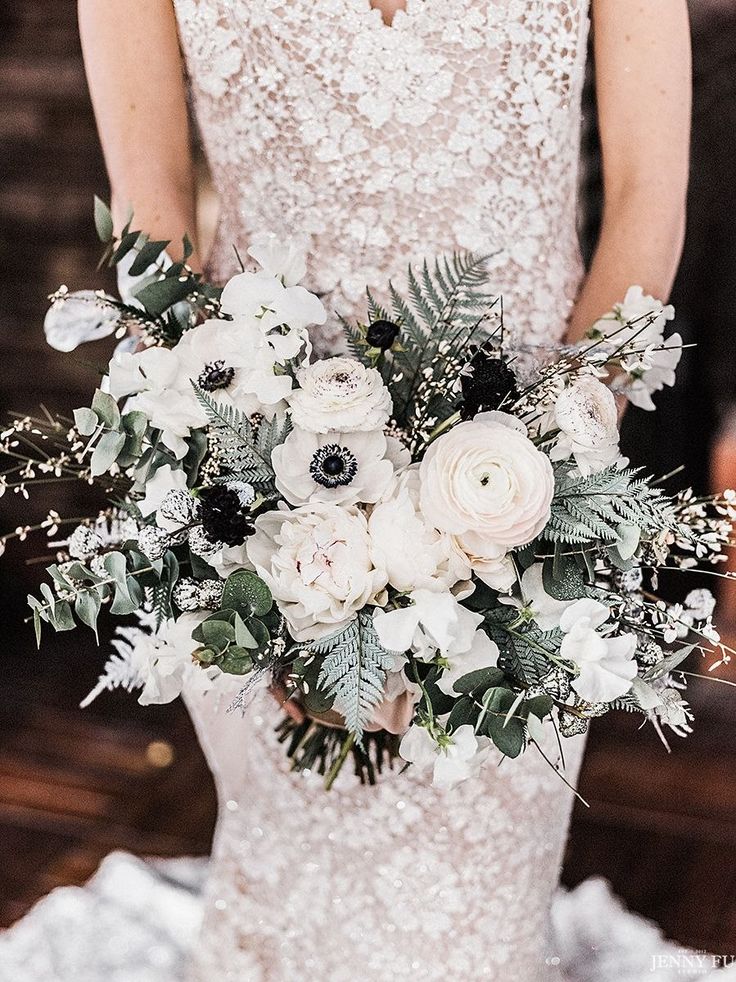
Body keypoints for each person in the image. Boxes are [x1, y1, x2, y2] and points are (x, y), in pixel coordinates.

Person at [75, 1, 691, 979]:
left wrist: (533, 483)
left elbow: (648, 196)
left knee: (469, 932)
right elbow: (152, 244)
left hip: (527, 511)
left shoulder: (530, 498)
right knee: (293, 908)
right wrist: (238, 506)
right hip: (262, 522)